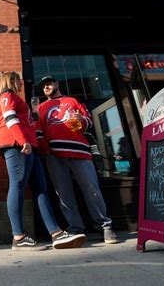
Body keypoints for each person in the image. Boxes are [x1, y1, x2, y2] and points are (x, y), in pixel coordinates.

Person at [0, 72, 86, 251]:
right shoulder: (7, 95)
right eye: (19, 81)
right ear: (11, 81)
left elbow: (27, 122)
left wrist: (34, 116)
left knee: (41, 189)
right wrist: (23, 141)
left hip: (30, 147)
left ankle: (56, 234)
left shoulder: (18, 99)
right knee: (17, 185)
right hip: (16, 145)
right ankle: (18, 237)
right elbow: (9, 118)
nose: (21, 84)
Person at [37, 75, 119, 244]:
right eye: (44, 85)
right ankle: (75, 228)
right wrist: (46, 149)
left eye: (49, 83)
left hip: (80, 150)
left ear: (57, 83)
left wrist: (82, 120)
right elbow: (38, 132)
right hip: (54, 154)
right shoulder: (41, 107)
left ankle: (105, 225)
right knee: (64, 194)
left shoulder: (72, 101)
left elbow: (89, 121)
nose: (46, 87)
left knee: (91, 189)